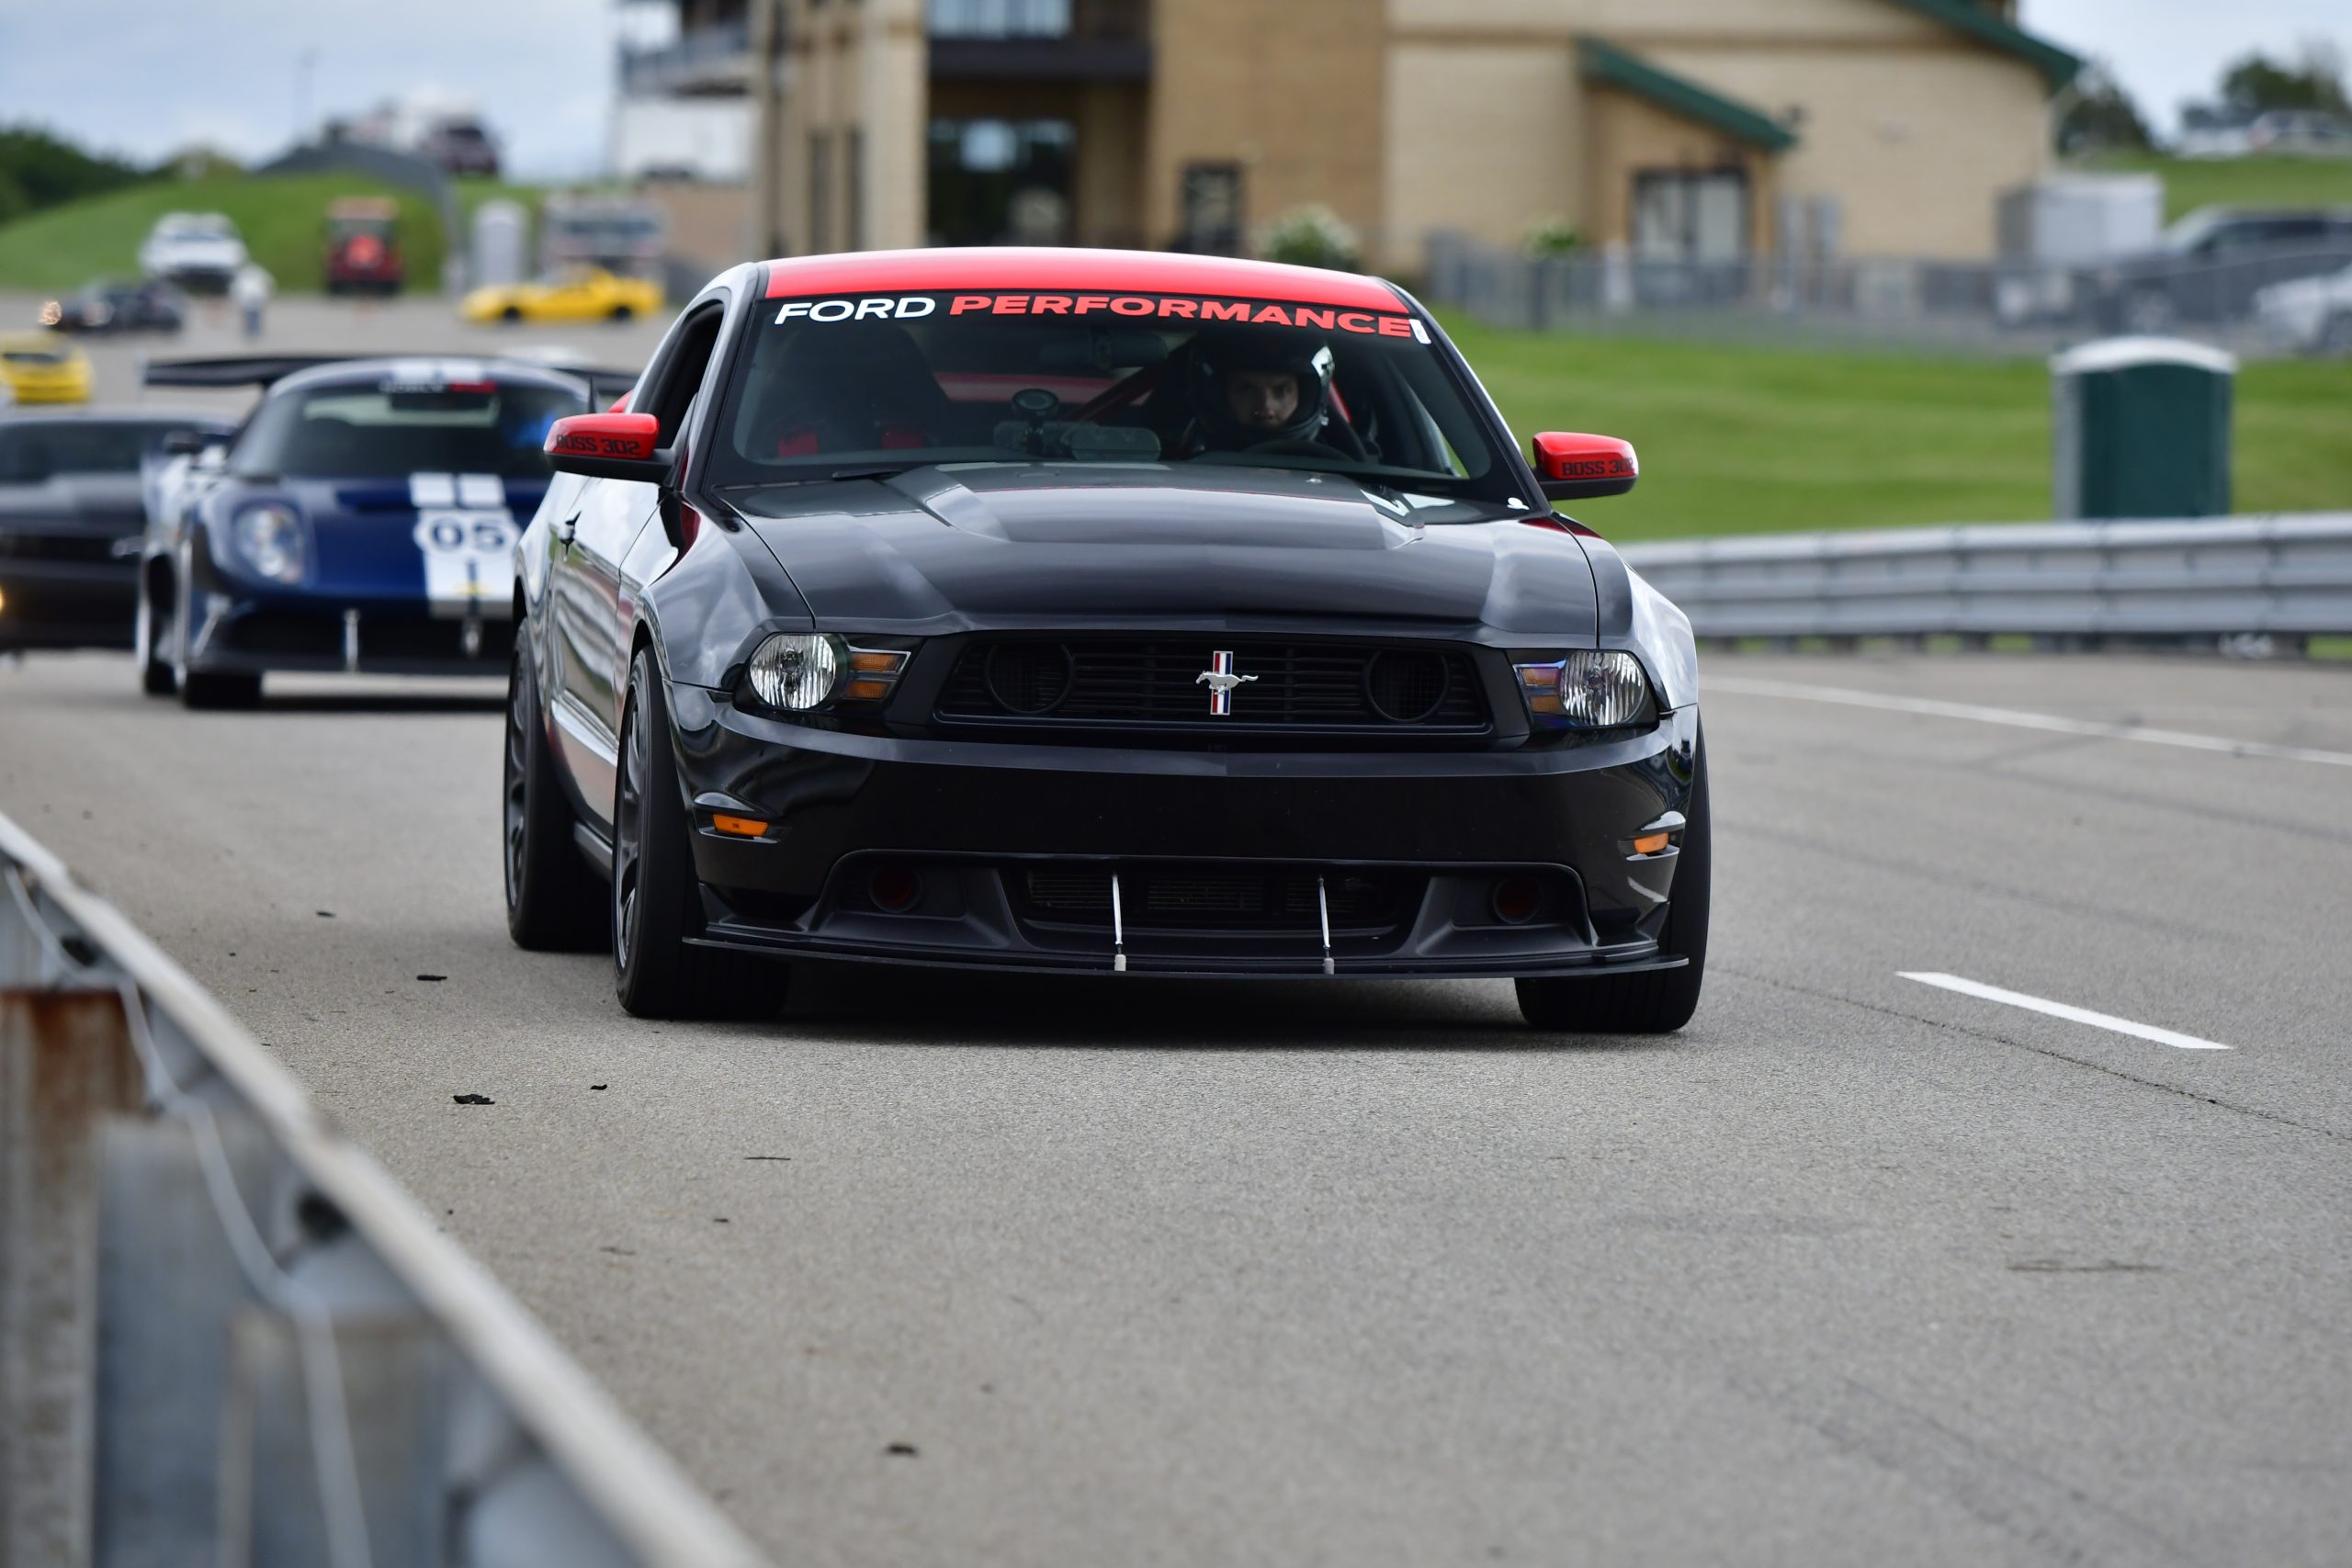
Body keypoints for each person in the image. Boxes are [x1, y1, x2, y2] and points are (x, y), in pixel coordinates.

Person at [1182, 326, 1345, 454]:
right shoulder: (1172, 456)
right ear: (1219, 395)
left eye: (1281, 391)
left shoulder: (1346, 460)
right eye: (1247, 390)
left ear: (1305, 395)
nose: (1266, 408)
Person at [231, 261, 274, 341]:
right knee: (252, 314)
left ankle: (253, 331)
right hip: (250, 297)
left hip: (254, 297)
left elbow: (236, 288)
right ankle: (252, 331)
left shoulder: (246, 274)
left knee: (253, 314)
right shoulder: (246, 275)